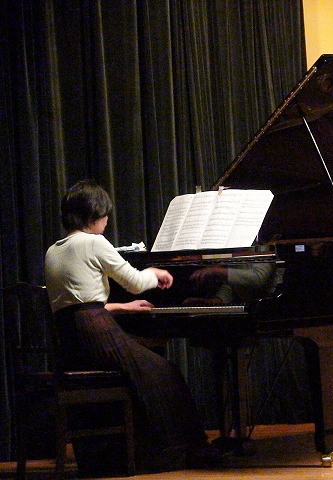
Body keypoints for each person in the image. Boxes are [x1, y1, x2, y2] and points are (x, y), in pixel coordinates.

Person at [44, 180, 220, 474]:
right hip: (96, 334)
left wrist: (123, 307)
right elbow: (135, 283)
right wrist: (155, 272)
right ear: (95, 214)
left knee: (145, 370)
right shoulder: (94, 242)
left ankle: (117, 454)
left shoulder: (54, 250)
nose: (107, 221)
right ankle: (184, 451)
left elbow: (76, 305)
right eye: (105, 215)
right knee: (164, 372)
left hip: (72, 341)